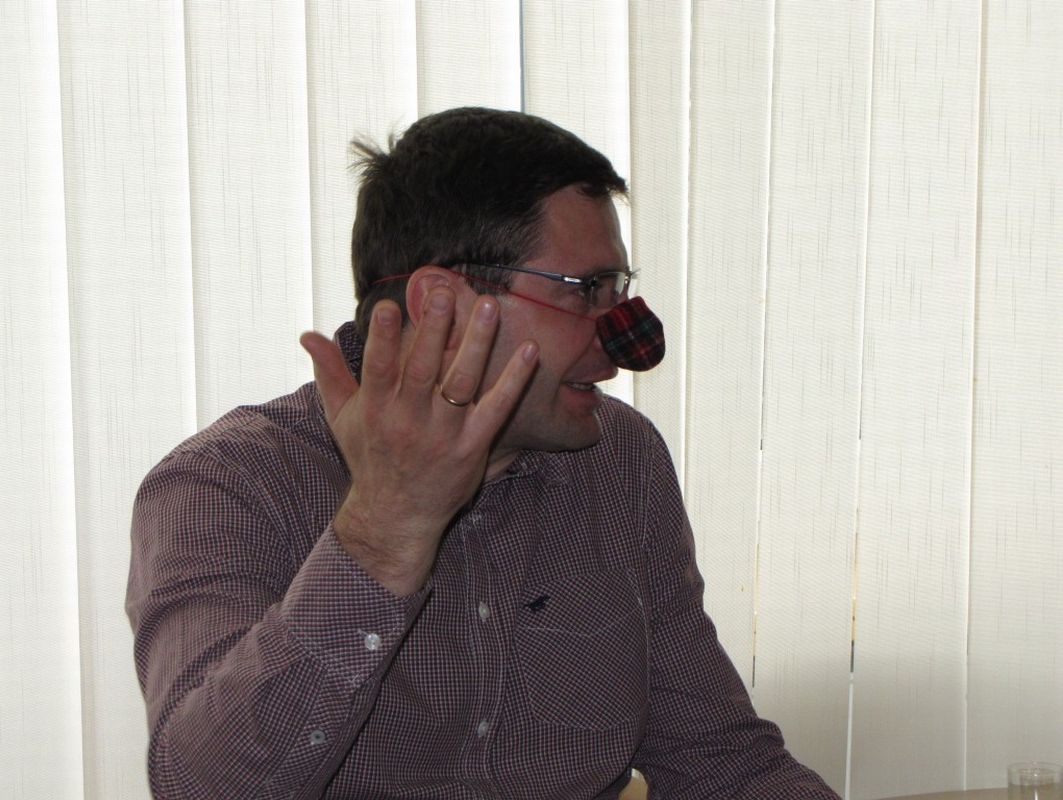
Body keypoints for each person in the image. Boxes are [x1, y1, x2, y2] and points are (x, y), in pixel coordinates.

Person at [127, 106, 840, 799]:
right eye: (587, 291)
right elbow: (199, 788)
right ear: (443, 302)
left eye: (618, 289)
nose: (624, 339)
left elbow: (717, 761)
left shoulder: (620, 460)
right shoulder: (227, 484)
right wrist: (383, 533)